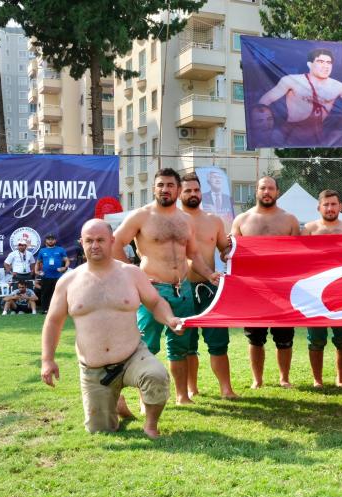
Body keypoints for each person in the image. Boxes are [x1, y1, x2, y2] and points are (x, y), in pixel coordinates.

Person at [41, 220, 178, 438]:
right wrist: (47, 360)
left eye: (100, 240)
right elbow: (53, 321)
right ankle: (116, 402)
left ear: (112, 241)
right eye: (89, 241)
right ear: (81, 243)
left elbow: (155, 302)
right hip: (94, 368)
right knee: (100, 430)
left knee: (156, 375)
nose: (95, 245)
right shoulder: (68, 281)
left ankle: (151, 425)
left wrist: (170, 319)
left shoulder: (131, 273)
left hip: (133, 355)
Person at [113, 168, 220, 405]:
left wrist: (209, 274)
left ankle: (182, 396)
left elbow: (194, 255)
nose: (165, 189)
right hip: (152, 290)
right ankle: (145, 400)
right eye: (160, 185)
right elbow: (115, 243)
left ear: (178, 190)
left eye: (170, 185)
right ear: (154, 188)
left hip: (183, 290)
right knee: (147, 346)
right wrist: (133, 273)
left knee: (180, 345)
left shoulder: (185, 220)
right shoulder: (141, 216)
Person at [232, 176, 301, 388]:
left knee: (285, 337)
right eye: (263, 188)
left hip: (283, 287)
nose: (267, 192)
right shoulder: (242, 220)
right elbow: (231, 253)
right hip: (253, 289)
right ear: (256, 191)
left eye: (271, 188)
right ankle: (257, 380)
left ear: (277, 192)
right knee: (255, 337)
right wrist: (228, 249)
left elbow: (300, 254)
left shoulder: (290, 220)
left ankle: (284, 378)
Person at [179, 172, 238, 399]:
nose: (193, 194)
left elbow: (224, 250)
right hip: (182, 289)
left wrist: (230, 249)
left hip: (211, 287)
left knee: (218, 342)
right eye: (188, 190)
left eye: (196, 190)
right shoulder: (173, 221)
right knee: (186, 343)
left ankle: (226, 389)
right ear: (179, 193)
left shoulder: (214, 221)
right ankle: (191, 388)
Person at [258, 48, 342, 146]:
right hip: (291, 134)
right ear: (310, 64)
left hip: (318, 136)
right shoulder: (292, 81)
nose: (325, 66)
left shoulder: (339, 87)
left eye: (329, 63)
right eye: (320, 62)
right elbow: (266, 100)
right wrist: (261, 127)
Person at [301, 189, 342, 387]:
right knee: (316, 339)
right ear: (319, 207)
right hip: (314, 292)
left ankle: (340, 379)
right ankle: (317, 380)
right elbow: (296, 258)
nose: (330, 208)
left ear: (340, 206)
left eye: (334, 204)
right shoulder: (309, 229)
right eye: (326, 205)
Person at [34, 233, 70, 314]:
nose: (50, 241)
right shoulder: (42, 251)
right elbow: (38, 262)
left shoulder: (60, 249)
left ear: (55, 240)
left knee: (58, 294)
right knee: (45, 293)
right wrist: (36, 271)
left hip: (58, 276)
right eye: (49, 239)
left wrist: (65, 268)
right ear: (46, 241)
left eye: (52, 239)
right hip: (46, 276)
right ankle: (45, 309)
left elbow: (67, 260)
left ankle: (58, 309)